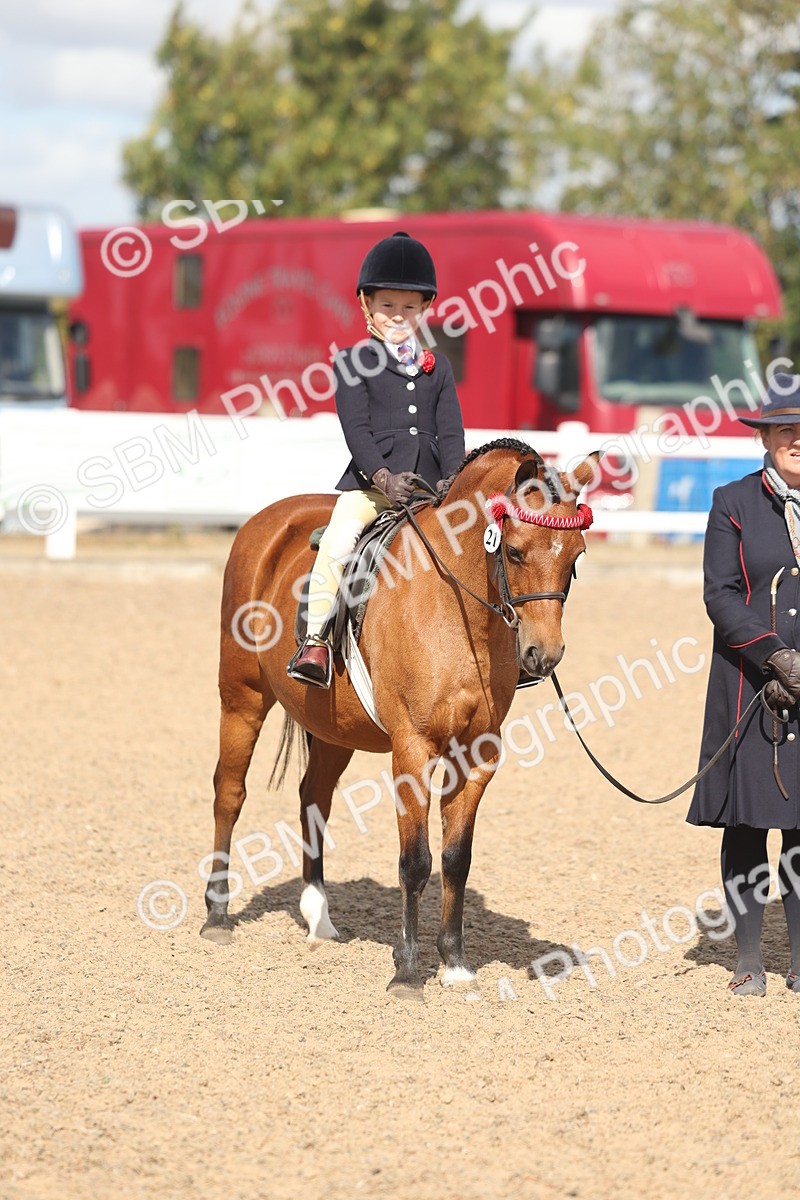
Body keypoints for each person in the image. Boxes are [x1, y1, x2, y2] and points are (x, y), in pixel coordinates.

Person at [287, 230, 466, 688]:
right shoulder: (351, 362)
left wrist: (453, 480)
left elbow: (450, 432)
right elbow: (357, 431)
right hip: (373, 489)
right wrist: (382, 478)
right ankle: (316, 641)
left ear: (424, 308)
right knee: (340, 540)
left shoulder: (437, 366)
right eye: (388, 306)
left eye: (409, 307)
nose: (398, 316)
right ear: (367, 305)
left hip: (430, 491)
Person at [688, 372, 800, 996]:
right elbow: (722, 595)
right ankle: (750, 957)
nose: (796, 440)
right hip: (748, 686)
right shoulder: (732, 502)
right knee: (750, 825)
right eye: (785, 429)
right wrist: (777, 659)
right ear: (765, 437)